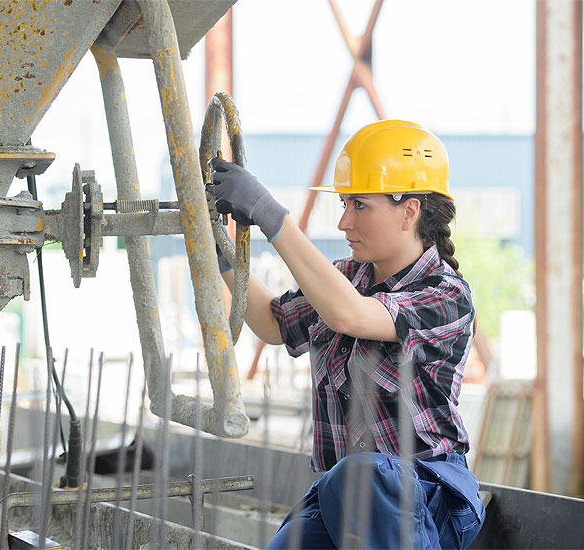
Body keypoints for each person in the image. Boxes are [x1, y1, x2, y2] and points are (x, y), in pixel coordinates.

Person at [207, 120, 486, 549]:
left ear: (409, 211)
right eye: (343, 204)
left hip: (428, 498)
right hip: (347, 496)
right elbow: (272, 322)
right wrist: (217, 249)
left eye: (359, 206)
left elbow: (350, 317)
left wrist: (268, 213)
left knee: (362, 473)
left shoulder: (445, 296)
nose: (343, 222)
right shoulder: (346, 279)